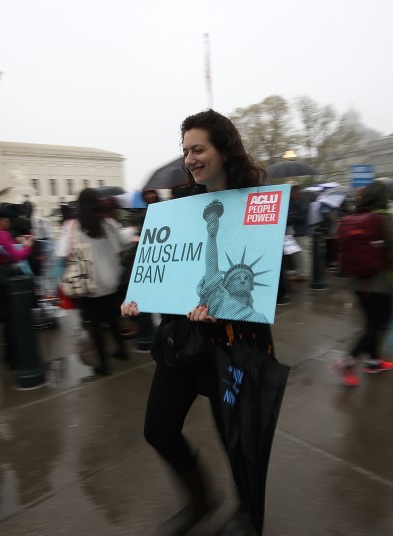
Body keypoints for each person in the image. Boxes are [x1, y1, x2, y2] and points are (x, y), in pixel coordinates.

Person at [121, 109, 277, 535]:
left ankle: (247, 515)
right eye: (186, 149)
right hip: (184, 341)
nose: (190, 158)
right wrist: (142, 296)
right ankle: (200, 498)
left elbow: (267, 287)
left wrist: (226, 304)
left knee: (237, 441)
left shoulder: (257, 205)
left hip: (235, 345)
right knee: (158, 429)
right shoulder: (181, 208)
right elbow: (171, 271)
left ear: (223, 150)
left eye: (199, 148)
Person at [330, 180, 393, 387]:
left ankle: (374, 361)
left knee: (371, 322)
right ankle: (348, 362)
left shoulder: (351, 218)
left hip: (357, 282)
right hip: (380, 283)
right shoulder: (383, 218)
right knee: (379, 324)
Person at [56, 187, 131, 375]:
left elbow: (63, 251)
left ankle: (104, 364)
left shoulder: (74, 225)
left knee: (96, 324)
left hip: (89, 281)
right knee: (112, 317)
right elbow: (123, 242)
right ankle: (122, 350)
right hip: (111, 280)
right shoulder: (108, 223)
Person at [0, 205, 33, 368]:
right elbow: (16, 256)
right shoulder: (1, 235)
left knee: (6, 320)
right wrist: (28, 246)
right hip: (6, 281)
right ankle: (14, 356)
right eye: (6, 218)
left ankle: (8, 355)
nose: (8, 221)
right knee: (12, 320)